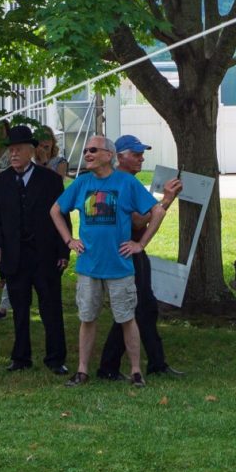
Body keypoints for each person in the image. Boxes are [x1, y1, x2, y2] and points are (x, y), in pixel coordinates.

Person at [53, 134, 165, 387]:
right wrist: (69, 240)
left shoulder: (126, 183)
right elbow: (55, 211)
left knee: (127, 317)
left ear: (109, 155)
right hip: (88, 266)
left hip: (119, 266)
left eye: (93, 150)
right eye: (86, 151)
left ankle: (136, 371)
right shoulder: (82, 183)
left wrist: (141, 243)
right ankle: (82, 370)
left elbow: (156, 210)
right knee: (87, 318)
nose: (88, 154)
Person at [0, 125, 70, 374]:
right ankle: (21, 357)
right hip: (14, 255)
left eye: (18, 149)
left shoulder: (50, 180)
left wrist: (63, 252)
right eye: (10, 150)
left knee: (50, 308)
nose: (13, 154)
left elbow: (62, 217)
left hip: (45, 255)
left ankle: (55, 358)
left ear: (31, 150)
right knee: (19, 309)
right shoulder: (1, 181)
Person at [98, 135, 183, 380]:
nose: (141, 158)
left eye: (141, 153)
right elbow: (137, 220)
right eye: (135, 154)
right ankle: (109, 367)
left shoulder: (128, 180)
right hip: (127, 253)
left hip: (135, 252)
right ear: (119, 156)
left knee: (144, 308)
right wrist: (165, 201)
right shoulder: (121, 182)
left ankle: (154, 363)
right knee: (133, 309)